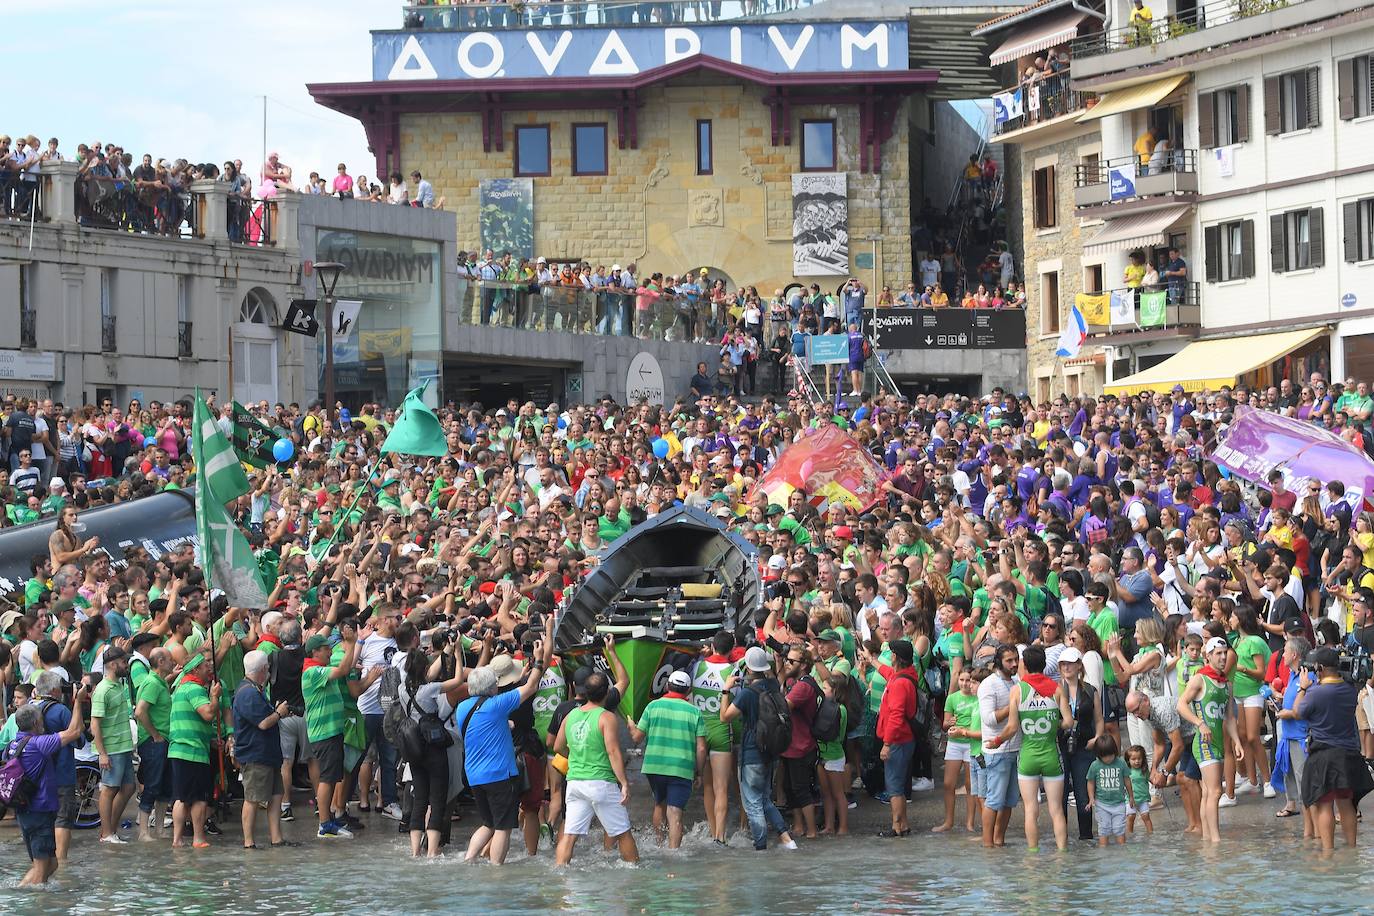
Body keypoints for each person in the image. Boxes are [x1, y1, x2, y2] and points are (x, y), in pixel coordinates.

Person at [457, 645, 547, 865]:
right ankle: (497, 869)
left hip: (474, 776)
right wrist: (537, 661)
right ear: (492, 688)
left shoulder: (463, 708)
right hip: (498, 775)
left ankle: (468, 860)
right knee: (503, 828)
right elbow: (531, 686)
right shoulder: (497, 705)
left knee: (487, 823)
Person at [3, 684, 88, 886]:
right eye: (40, 719)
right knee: (41, 871)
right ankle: (31, 901)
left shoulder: (12, 745)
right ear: (34, 723)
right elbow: (75, 731)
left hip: (25, 811)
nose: (43, 723)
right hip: (39, 812)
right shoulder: (38, 744)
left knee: (51, 864)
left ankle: (20, 891)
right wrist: (78, 701)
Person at [990, 645, 1071, 851]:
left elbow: (1012, 727)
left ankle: (1033, 853)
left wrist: (997, 741)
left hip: (1027, 757)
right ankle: (1062, 852)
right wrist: (1056, 725)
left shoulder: (1018, 691)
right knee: (1056, 810)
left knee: (1030, 810)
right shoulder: (1056, 689)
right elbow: (1069, 722)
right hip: (1052, 755)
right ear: (1044, 664)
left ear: (1024, 665)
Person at [553, 669, 639, 866]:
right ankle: (635, 874)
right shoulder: (606, 717)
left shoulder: (571, 715)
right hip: (601, 783)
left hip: (575, 783)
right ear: (606, 693)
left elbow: (557, 746)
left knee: (569, 836)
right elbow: (613, 752)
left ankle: (560, 873)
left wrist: (576, 756)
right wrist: (624, 782)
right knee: (623, 833)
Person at [1295, 645, 1374, 850]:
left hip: (1323, 757)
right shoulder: (1350, 690)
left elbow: (1297, 712)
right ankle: (1351, 849)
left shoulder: (1315, 693)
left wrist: (1303, 687)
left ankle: (1327, 853)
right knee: (1347, 804)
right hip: (1348, 755)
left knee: (1324, 805)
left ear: (1319, 668)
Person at [720, 646, 798, 851]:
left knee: (753, 803)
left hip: (752, 753)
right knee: (764, 798)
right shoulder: (774, 686)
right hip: (771, 752)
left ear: (747, 667)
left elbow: (724, 717)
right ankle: (787, 839)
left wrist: (726, 689)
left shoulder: (747, 693)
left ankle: (761, 847)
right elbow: (772, 675)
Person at [628, 669, 707, 849]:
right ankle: (673, 853)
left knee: (659, 804)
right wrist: (699, 772)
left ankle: (658, 844)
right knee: (675, 812)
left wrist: (631, 726)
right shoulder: (694, 712)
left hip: (654, 767)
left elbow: (637, 738)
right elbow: (701, 748)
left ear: (667, 686)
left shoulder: (652, 706)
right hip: (681, 767)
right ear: (688, 691)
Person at [1177, 636, 1243, 843]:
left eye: (1225, 653)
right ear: (1208, 656)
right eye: (1218, 654)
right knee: (1215, 791)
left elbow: (1229, 718)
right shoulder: (1199, 679)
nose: (1223, 657)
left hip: (1218, 743)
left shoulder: (1226, 685)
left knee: (1208, 792)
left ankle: (1207, 839)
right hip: (1204, 743)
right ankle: (1216, 840)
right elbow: (1181, 705)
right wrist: (1199, 723)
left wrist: (1237, 741)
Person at [301, 627, 359, 839]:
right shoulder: (313, 672)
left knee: (333, 776)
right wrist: (352, 644)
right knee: (327, 778)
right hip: (323, 734)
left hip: (332, 731)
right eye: (326, 649)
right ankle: (324, 824)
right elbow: (343, 670)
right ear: (315, 652)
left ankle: (330, 819)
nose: (330, 653)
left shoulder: (320, 669)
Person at [232, 649, 292, 849]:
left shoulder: (255, 688)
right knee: (253, 799)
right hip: (255, 754)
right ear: (263, 669)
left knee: (276, 796)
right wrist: (279, 713)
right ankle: (248, 842)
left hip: (268, 753)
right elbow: (264, 723)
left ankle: (277, 838)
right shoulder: (248, 692)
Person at [167, 653, 222, 848]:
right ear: (194, 670)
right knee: (199, 797)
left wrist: (210, 739)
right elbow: (207, 714)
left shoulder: (181, 688)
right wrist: (214, 697)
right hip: (192, 751)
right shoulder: (195, 689)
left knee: (181, 797)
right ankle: (198, 838)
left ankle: (177, 839)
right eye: (205, 665)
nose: (209, 668)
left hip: (179, 749)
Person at [90, 646, 136, 844]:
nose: (127, 665)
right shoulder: (102, 690)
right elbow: (95, 724)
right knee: (108, 789)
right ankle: (107, 833)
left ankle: (111, 830)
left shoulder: (119, 685)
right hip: (112, 748)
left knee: (128, 787)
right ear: (113, 664)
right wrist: (102, 753)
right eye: (124, 662)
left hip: (124, 746)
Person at [876, 639, 920, 837]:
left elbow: (896, 715)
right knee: (899, 783)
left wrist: (886, 744)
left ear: (894, 656)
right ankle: (904, 825)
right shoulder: (904, 675)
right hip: (904, 739)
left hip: (897, 740)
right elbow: (888, 673)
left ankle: (896, 826)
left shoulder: (900, 683)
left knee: (894, 786)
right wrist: (871, 661)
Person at [978, 645, 1021, 847]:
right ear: (998, 662)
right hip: (996, 751)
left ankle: (1000, 842)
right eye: (1009, 661)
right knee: (994, 800)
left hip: (1016, 748)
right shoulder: (988, 684)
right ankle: (988, 845)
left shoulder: (1017, 681)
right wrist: (1012, 705)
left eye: (1016, 660)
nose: (1014, 664)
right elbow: (988, 719)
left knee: (1010, 801)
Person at [133, 646, 175, 841]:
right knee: (152, 784)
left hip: (163, 740)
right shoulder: (152, 683)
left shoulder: (158, 681)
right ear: (160, 662)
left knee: (164, 786)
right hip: (153, 741)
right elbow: (140, 711)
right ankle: (143, 831)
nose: (173, 662)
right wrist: (155, 735)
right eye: (169, 660)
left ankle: (158, 829)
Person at [1086, 733, 1134, 846]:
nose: (1108, 759)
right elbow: (1090, 782)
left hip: (1119, 803)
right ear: (1098, 754)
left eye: (1110, 755)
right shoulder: (1095, 765)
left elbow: (1127, 780)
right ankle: (1104, 853)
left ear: (1115, 751)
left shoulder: (1121, 763)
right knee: (1104, 829)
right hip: (1102, 804)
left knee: (1119, 829)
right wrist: (1091, 798)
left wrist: (1131, 796)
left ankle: (1122, 853)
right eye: (1104, 756)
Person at [1124, 744, 1153, 834]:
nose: (1137, 761)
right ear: (1128, 760)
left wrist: (1157, 781)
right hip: (1130, 800)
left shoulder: (1144, 771)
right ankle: (1130, 834)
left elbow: (1151, 779)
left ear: (1143, 759)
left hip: (1143, 798)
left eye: (1139, 759)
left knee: (1146, 816)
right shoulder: (1126, 771)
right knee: (1130, 817)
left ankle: (1151, 833)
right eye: (1133, 759)